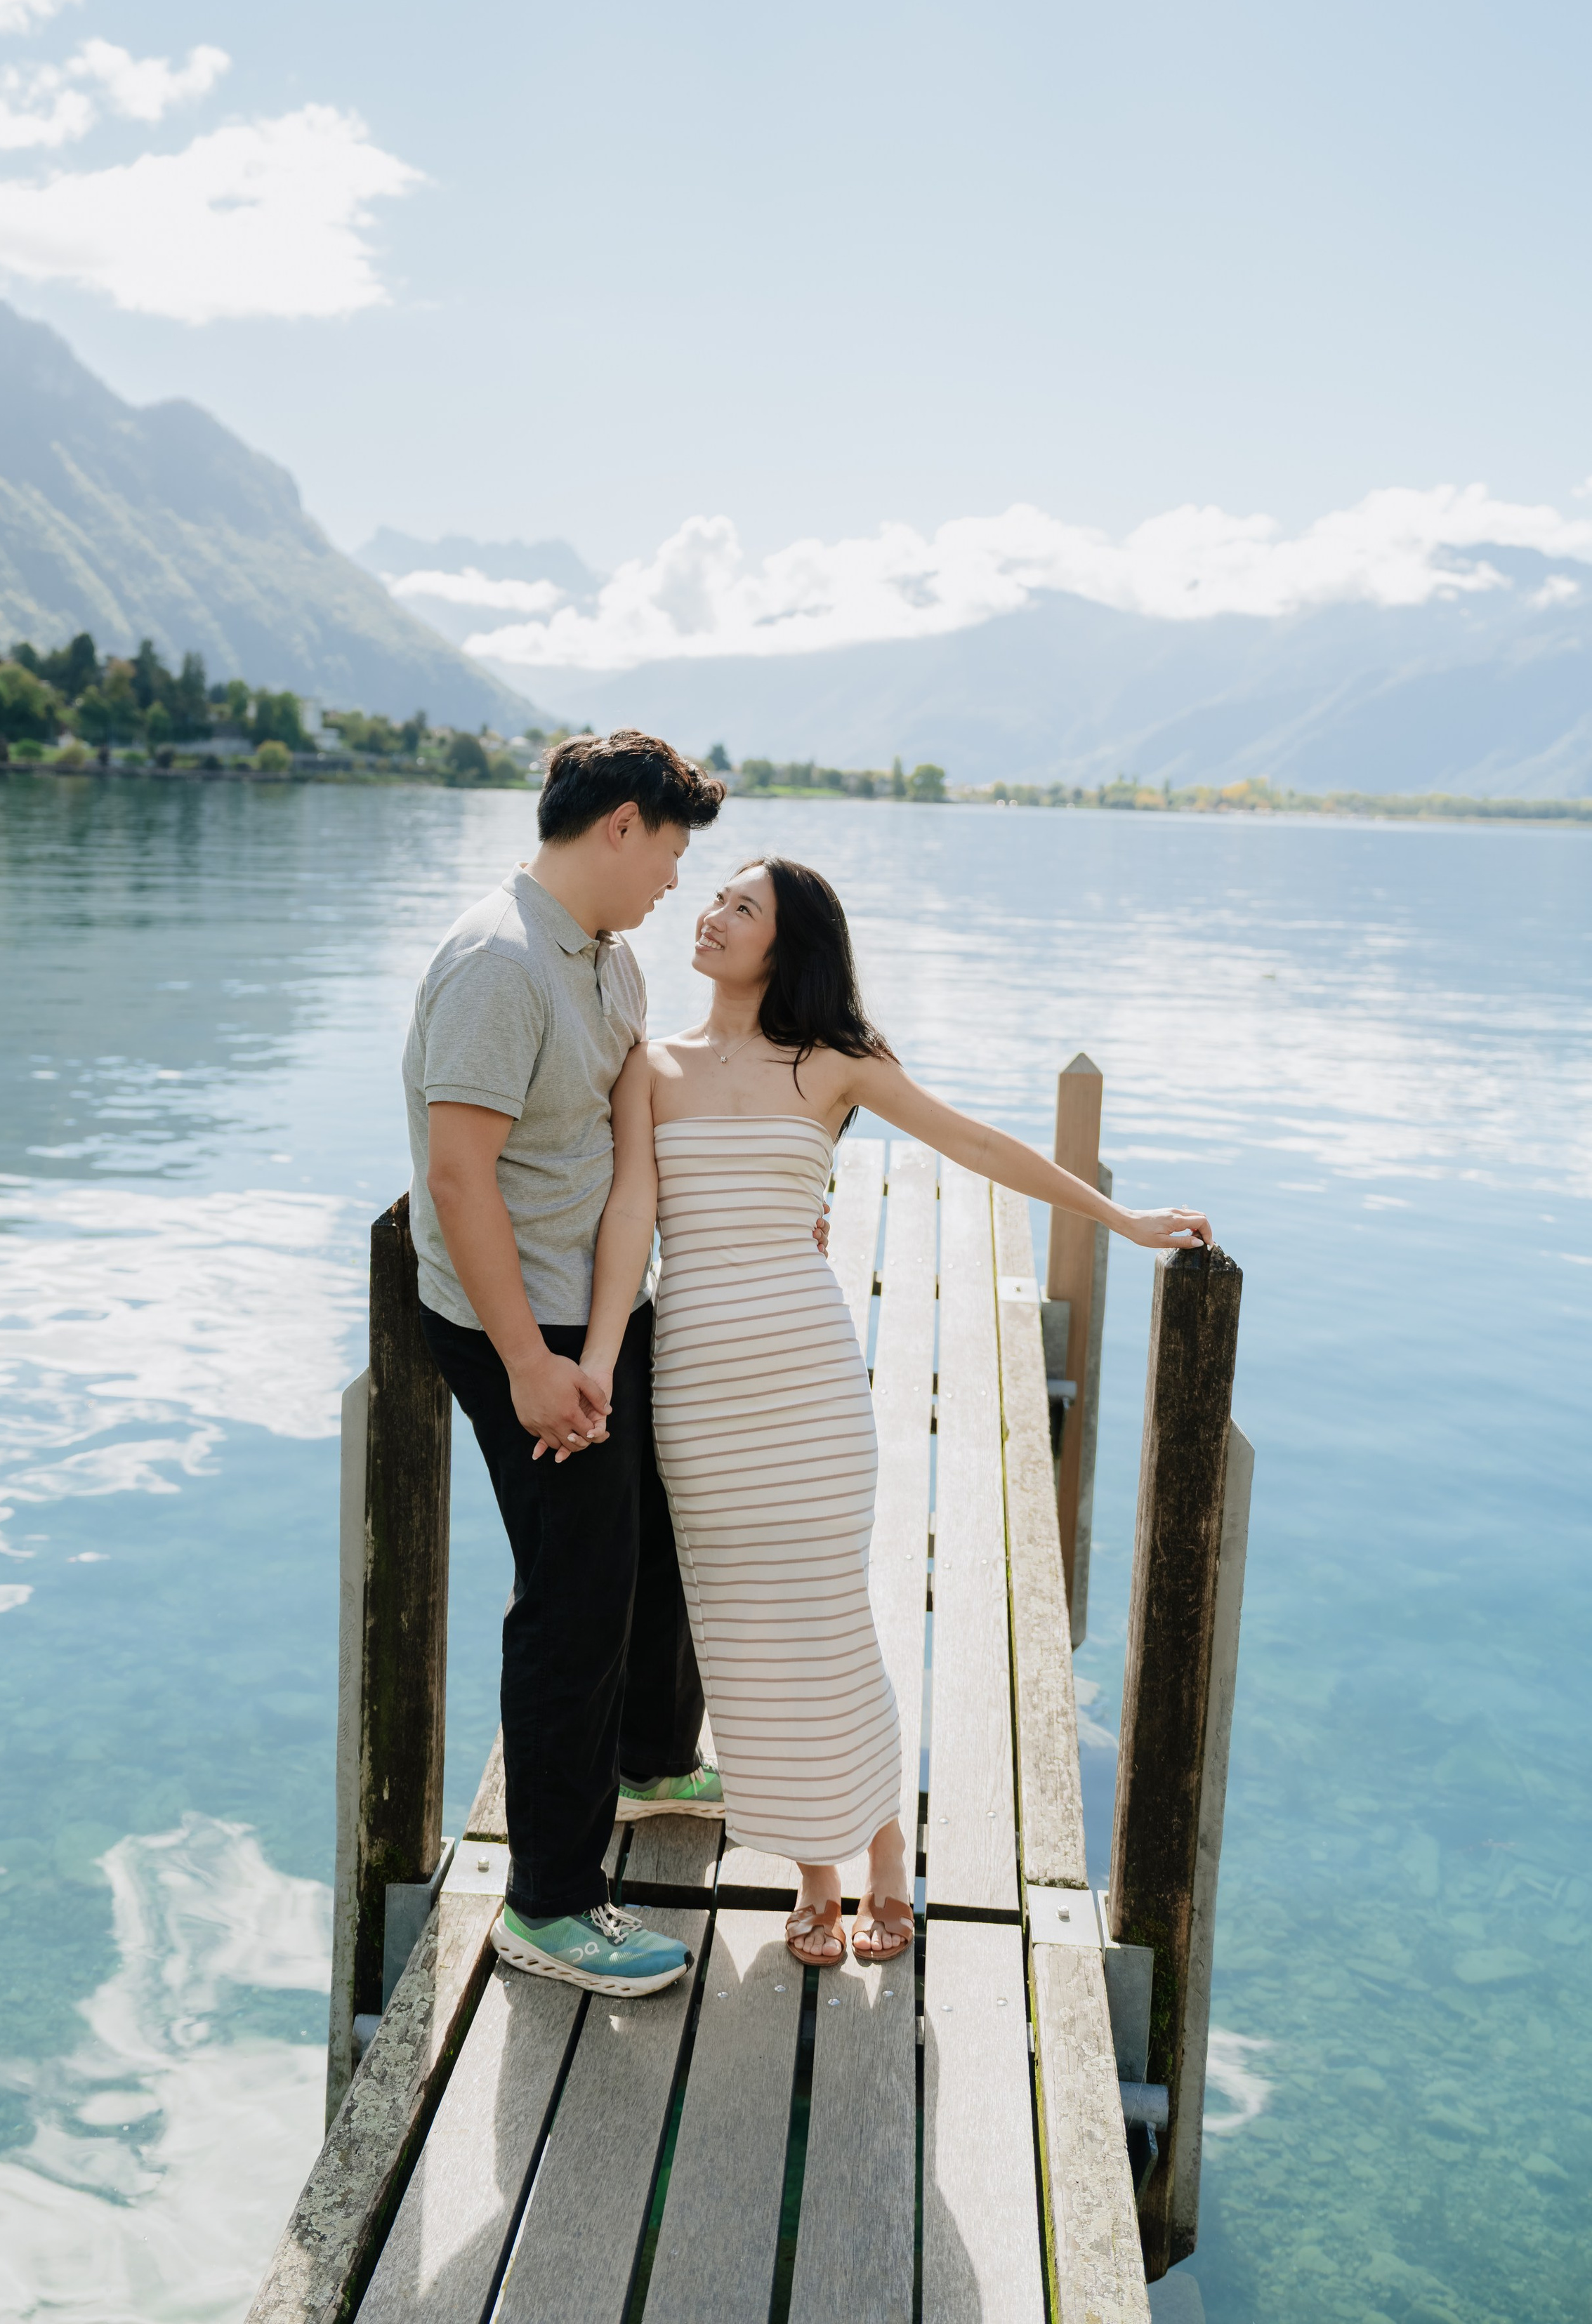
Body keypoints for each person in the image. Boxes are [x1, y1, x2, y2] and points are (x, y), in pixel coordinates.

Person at [580, 855, 1214, 1971]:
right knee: (743, 1645)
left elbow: (974, 1141)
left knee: (827, 1626)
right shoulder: (650, 1064)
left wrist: (1121, 1218)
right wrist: (593, 1361)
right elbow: (631, 1209)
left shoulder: (835, 1063)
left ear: (789, 945)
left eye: (742, 908)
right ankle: (813, 1878)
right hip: (694, 1385)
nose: (714, 915)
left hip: (808, 1383)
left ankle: (883, 1864)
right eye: (716, 898)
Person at [403, 730, 730, 2001]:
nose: (675, 881)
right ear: (622, 826)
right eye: (672, 850)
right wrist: (533, 1364)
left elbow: (621, 1141)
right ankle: (546, 1902)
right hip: (510, 1328)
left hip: (591, 1313)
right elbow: (455, 1176)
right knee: (575, 1593)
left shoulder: (607, 959)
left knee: (652, 1536)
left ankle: (652, 1762)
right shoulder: (497, 962)